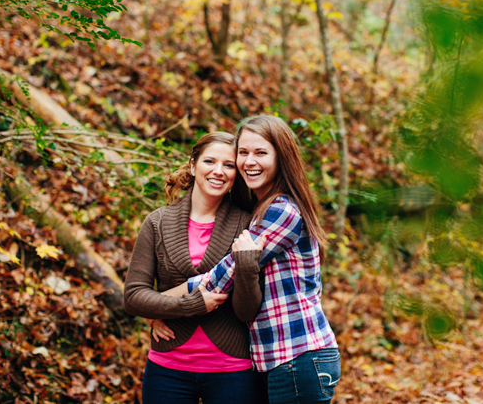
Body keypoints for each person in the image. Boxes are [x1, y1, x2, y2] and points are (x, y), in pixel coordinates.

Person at [187, 115, 341, 404]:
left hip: (298, 356)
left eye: (261, 152)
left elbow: (226, 274)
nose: (249, 161)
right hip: (283, 359)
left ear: (281, 157)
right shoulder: (260, 208)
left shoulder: (282, 211)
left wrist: (170, 299)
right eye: (243, 152)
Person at [123, 132, 264, 404]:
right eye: (209, 161)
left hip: (232, 369)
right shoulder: (157, 223)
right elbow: (133, 298)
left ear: (237, 174)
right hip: (168, 368)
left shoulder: (248, 224)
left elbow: (248, 310)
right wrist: (189, 305)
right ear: (192, 165)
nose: (218, 171)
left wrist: (247, 265)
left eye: (229, 165)